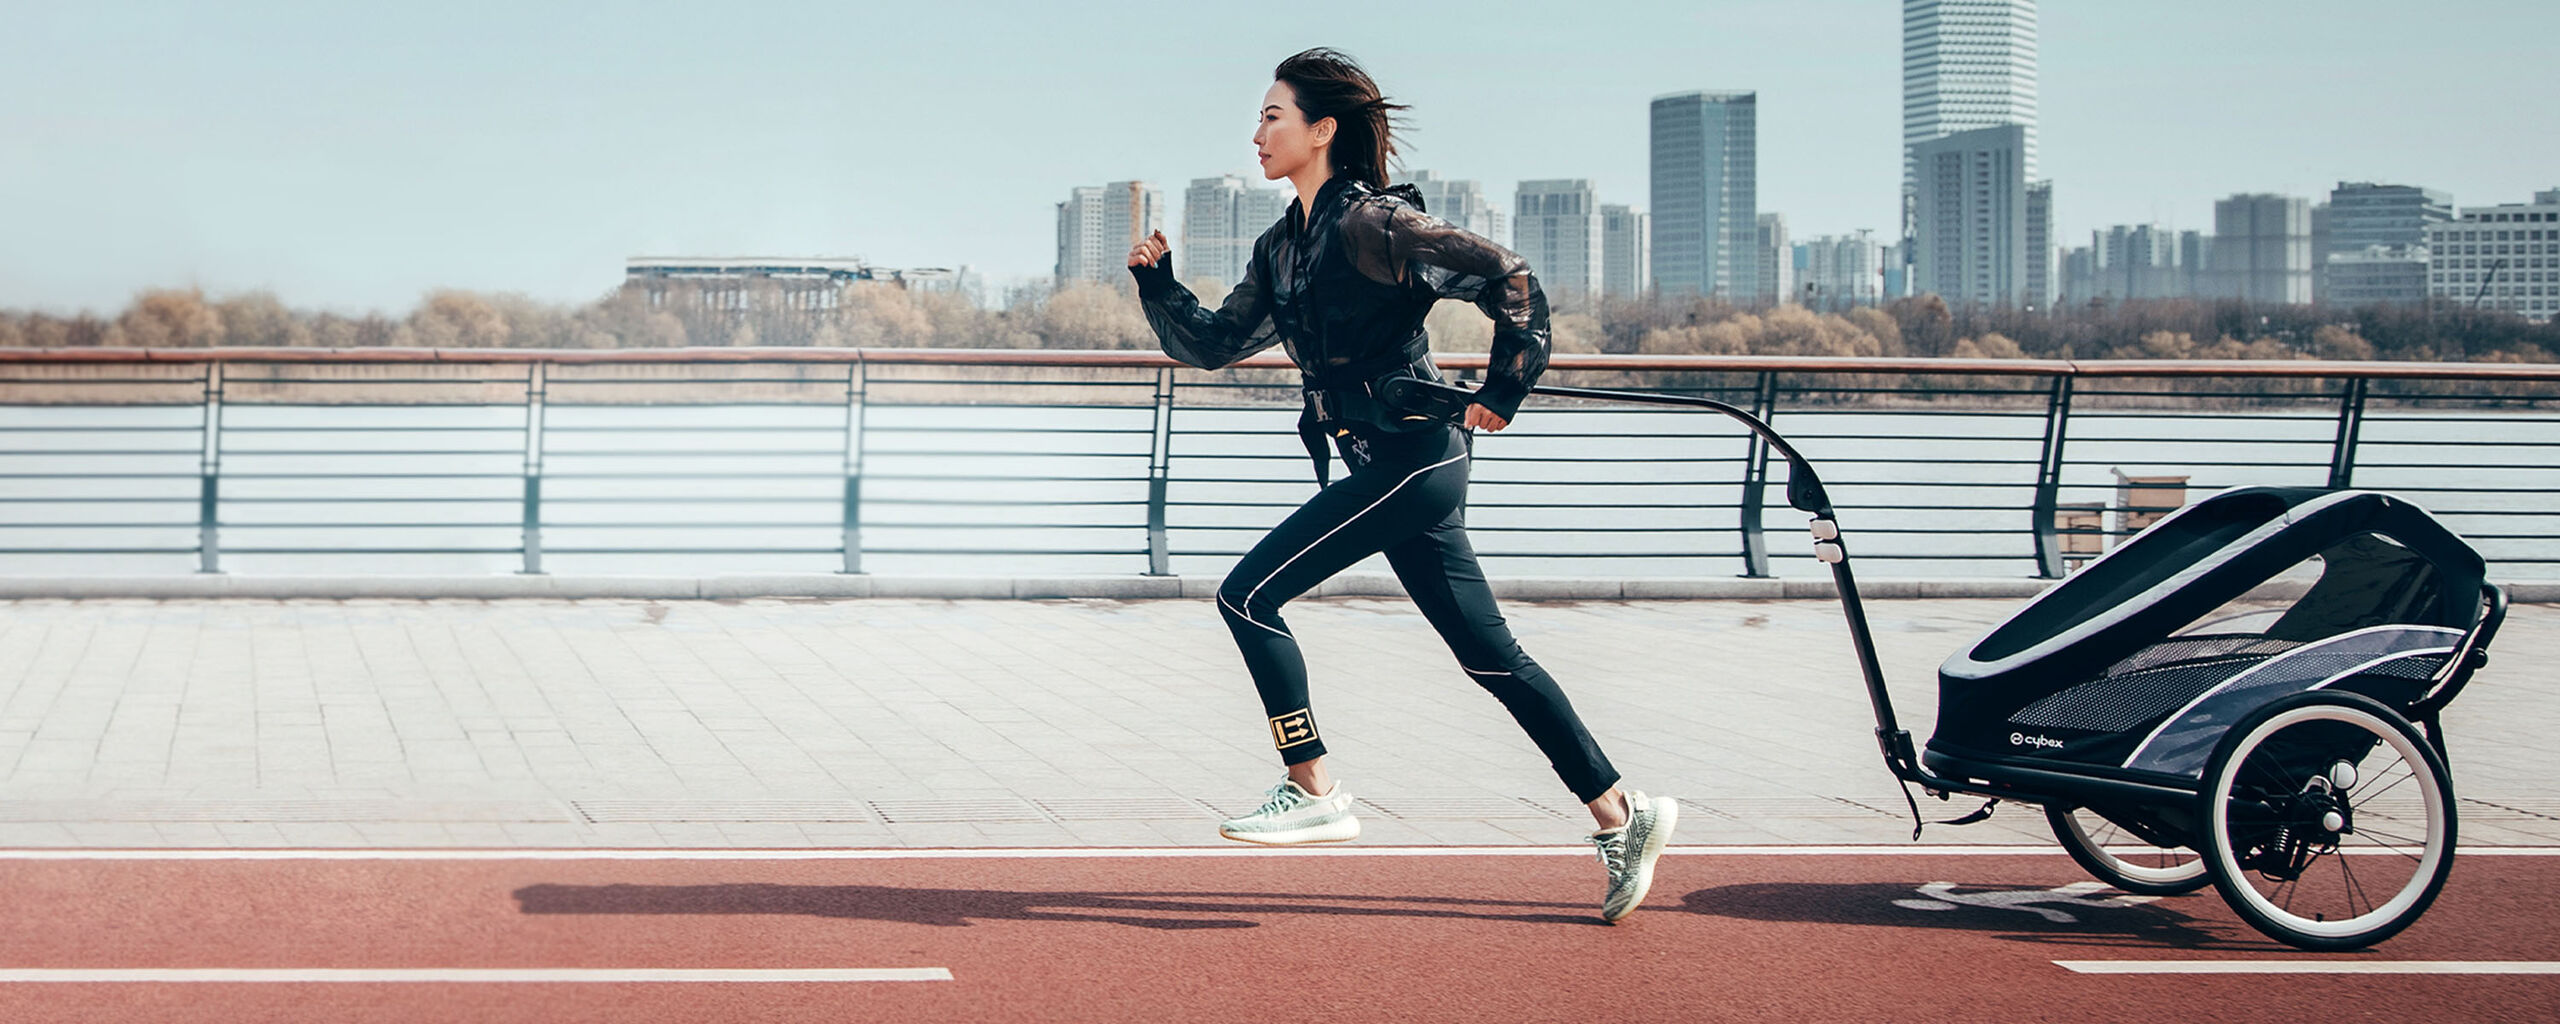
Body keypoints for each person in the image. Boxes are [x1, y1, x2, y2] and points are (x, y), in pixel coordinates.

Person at [1125, 47, 1675, 923]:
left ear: (1322, 129)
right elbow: (1214, 344)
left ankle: (1313, 787)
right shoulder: (1283, 249)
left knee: (1247, 597)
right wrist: (1157, 282)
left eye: (1273, 115)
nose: (1257, 132)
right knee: (1491, 657)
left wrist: (1504, 389)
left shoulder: (1372, 226)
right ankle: (1622, 813)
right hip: (1383, 467)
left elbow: (1508, 277)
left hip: (1417, 461)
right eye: (1260, 117)